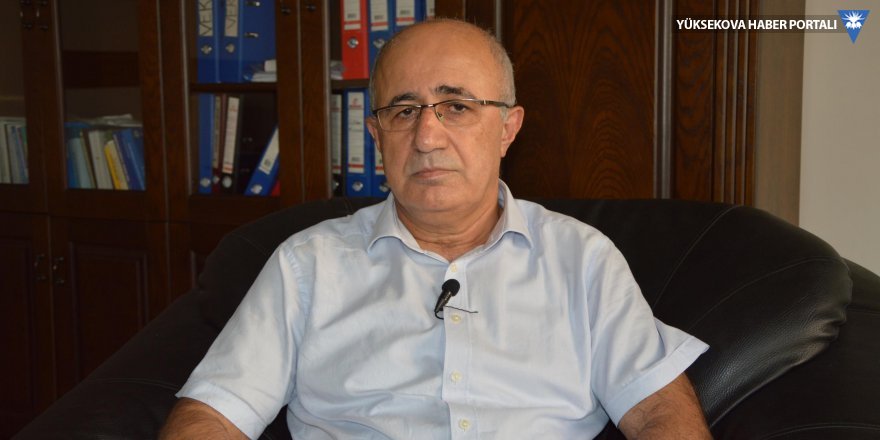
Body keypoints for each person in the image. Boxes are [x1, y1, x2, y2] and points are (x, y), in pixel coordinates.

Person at [161, 19, 712, 439]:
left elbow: (659, 412)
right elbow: (213, 414)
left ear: (507, 128)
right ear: (377, 135)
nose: (426, 137)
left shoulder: (581, 258)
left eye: (456, 106)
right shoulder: (308, 264)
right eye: (404, 112)